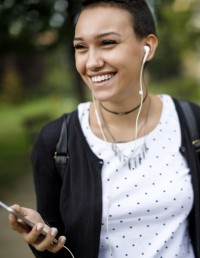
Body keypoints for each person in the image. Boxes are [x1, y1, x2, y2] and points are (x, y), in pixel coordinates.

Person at [8, 0, 200, 257]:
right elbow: (56, 248)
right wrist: (43, 243)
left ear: (148, 47)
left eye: (107, 43)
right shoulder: (54, 141)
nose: (92, 62)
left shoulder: (192, 122)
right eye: (80, 47)